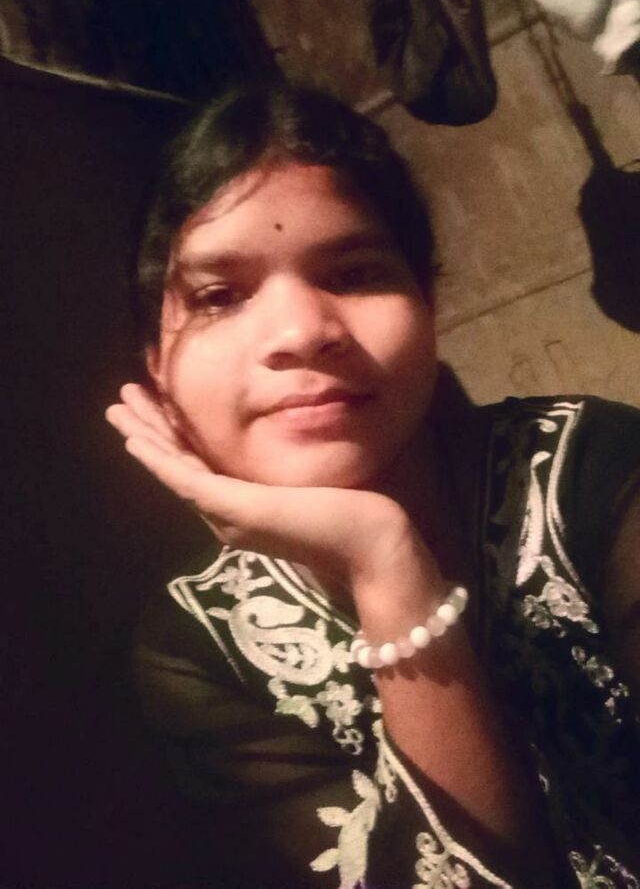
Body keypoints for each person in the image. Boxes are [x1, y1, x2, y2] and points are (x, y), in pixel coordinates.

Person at [106, 79, 640, 889]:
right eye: (220, 296)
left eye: (355, 274)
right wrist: (384, 561)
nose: (301, 332)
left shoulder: (594, 469)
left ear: (428, 301)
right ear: (157, 368)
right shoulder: (199, 646)